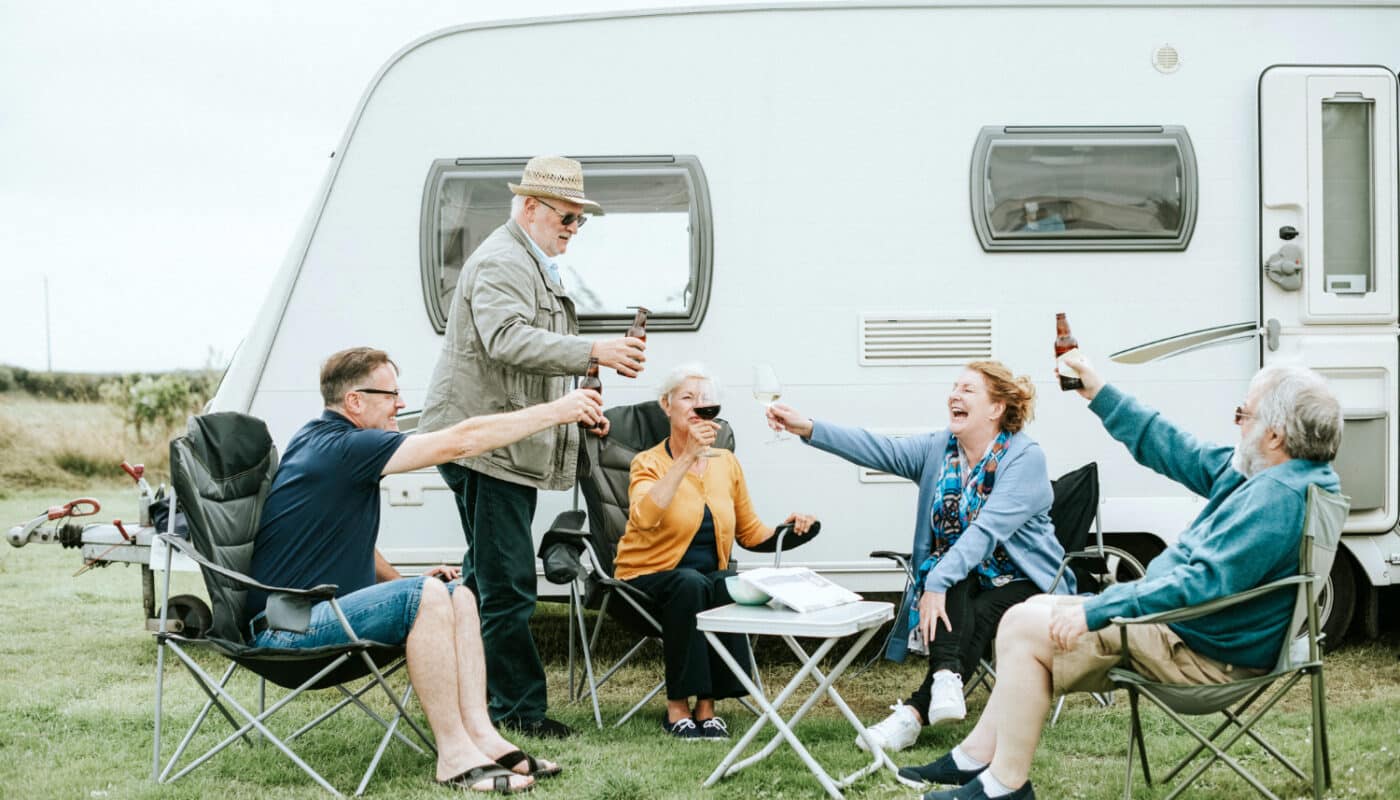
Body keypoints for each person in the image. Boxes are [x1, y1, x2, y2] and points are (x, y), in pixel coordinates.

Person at [898, 355, 1343, 800]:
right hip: (1195, 630)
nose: (1237, 424)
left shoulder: (1274, 498)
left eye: (1243, 415)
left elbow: (1201, 582)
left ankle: (1004, 785)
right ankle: (976, 758)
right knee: (1026, 611)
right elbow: (1175, 449)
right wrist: (1098, 392)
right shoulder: (1279, 476)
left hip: (1200, 653)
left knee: (1025, 628)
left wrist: (1099, 608)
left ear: (1276, 435)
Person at [248, 347, 604, 794]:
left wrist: (398, 586)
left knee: (461, 593)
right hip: (287, 631)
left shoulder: (317, 439)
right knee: (429, 594)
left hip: (316, 615)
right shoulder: (347, 446)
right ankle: (454, 755)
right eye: (391, 394)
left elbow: (340, 534)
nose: (400, 403)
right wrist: (558, 411)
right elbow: (463, 440)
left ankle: (484, 738)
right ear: (355, 401)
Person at [419, 155, 647, 738]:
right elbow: (507, 341)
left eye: (580, 220)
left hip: (497, 441)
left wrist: (577, 419)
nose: (573, 228)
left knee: (485, 580)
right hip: (484, 445)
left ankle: (473, 694)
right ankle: (516, 713)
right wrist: (595, 353)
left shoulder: (529, 261)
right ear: (529, 208)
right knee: (509, 583)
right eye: (567, 217)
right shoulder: (503, 260)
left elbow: (529, 370)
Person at [766, 360, 1074, 754]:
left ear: (996, 408)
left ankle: (913, 714)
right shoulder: (939, 449)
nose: (954, 395)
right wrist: (806, 427)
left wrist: (936, 582)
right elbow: (879, 449)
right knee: (955, 578)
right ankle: (945, 680)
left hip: (1031, 583)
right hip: (967, 577)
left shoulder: (1024, 458)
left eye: (967, 390)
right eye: (954, 387)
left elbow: (985, 531)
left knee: (958, 588)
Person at [615, 363, 817, 739]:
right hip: (643, 582)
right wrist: (686, 459)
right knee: (691, 584)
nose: (697, 405)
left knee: (729, 583)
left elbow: (751, 534)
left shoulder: (726, 463)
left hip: (701, 583)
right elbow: (644, 516)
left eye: (705, 399)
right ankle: (677, 707)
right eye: (687, 398)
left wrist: (792, 531)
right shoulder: (648, 462)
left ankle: (707, 708)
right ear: (667, 405)